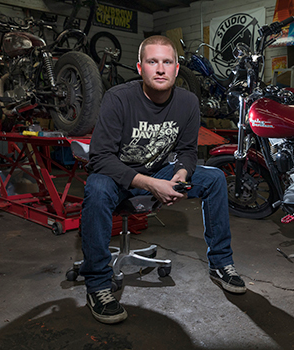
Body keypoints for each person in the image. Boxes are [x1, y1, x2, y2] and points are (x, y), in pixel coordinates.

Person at [79, 35, 247, 324]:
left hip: (159, 171)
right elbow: (100, 159)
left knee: (216, 178)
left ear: (177, 68)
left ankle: (221, 263)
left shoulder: (188, 102)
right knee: (96, 187)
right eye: (152, 62)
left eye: (167, 62)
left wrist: (180, 174)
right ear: (140, 68)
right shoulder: (118, 98)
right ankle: (98, 285)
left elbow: (187, 152)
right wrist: (149, 184)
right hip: (118, 176)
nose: (160, 69)